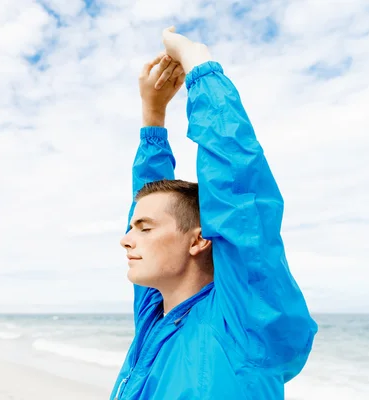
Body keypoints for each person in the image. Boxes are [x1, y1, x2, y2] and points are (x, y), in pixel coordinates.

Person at [111, 27, 318, 400]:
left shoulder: (242, 327)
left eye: (143, 229)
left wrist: (198, 65)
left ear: (200, 238)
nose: (126, 239)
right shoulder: (157, 318)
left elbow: (238, 194)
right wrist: (152, 117)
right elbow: (154, 199)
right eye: (131, 227)